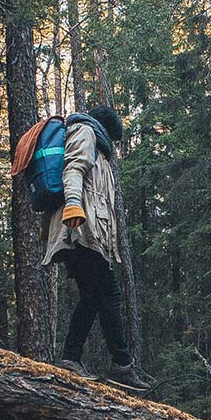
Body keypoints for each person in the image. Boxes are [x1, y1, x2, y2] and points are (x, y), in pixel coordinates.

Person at [40, 104, 150, 393]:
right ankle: (122, 366)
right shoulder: (85, 131)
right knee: (110, 294)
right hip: (78, 228)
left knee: (91, 298)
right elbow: (73, 168)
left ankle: (71, 358)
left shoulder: (99, 149)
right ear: (107, 130)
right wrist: (74, 204)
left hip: (87, 232)